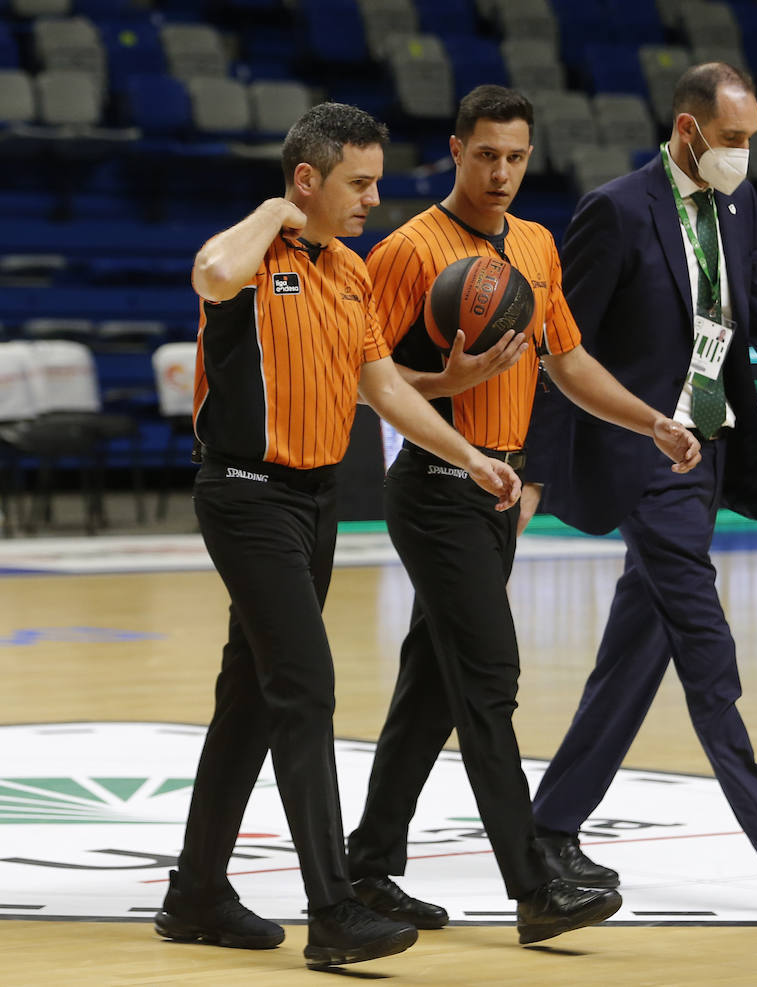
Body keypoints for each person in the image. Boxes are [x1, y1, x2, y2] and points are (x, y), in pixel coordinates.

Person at [154, 102, 524, 972]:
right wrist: (278, 210)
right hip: (246, 495)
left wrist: (469, 452)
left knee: (251, 694)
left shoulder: (351, 274)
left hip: (315, 503)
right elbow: (209, 273)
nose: (372, 199)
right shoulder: (250, 260)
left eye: (378, 183)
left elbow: (385, 390)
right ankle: (333, 911)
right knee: (306, 687)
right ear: (309, 180)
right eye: (357, 184)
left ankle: (196, 891)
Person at [520, 63, 757, 911]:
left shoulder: (739, 206)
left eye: (750, 139)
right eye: (731, 140)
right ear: (688, 132)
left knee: (636, 652)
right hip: (643, 457)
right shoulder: (615, 211)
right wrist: (537, 473)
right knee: (705, 643)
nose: (743, 155)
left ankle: (547, 826)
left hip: (709, 456)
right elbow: (558, 353)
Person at [344, 85, 700, 944]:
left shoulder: (539, 246)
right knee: (490, 680)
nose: (501, 172)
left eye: (516, 157)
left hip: (498, 491)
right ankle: (532, 883)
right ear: (457, 149)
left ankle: (369, 865)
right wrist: (450, 386)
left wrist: (651, 419)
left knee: (432, 687)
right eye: (486, 155)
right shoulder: (406, 251)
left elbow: (568, 362)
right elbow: (368, 382)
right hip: (434, 486)